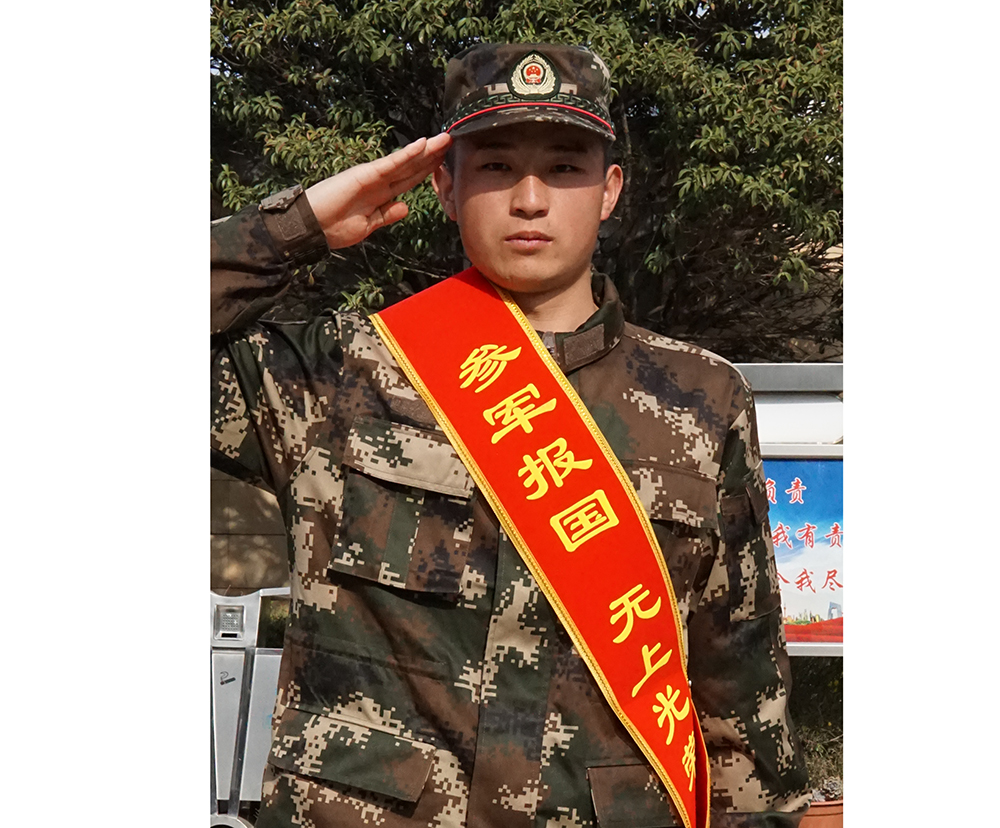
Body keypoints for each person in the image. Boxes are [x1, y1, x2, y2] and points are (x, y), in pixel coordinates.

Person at [211, 43, 811, 828]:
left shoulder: (702, 399)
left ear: (609, 191)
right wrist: (301, 226)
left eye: (563, 169)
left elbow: (742, 702)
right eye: (496, 168)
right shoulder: (344, 372)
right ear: (445, 186)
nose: (530, 200)